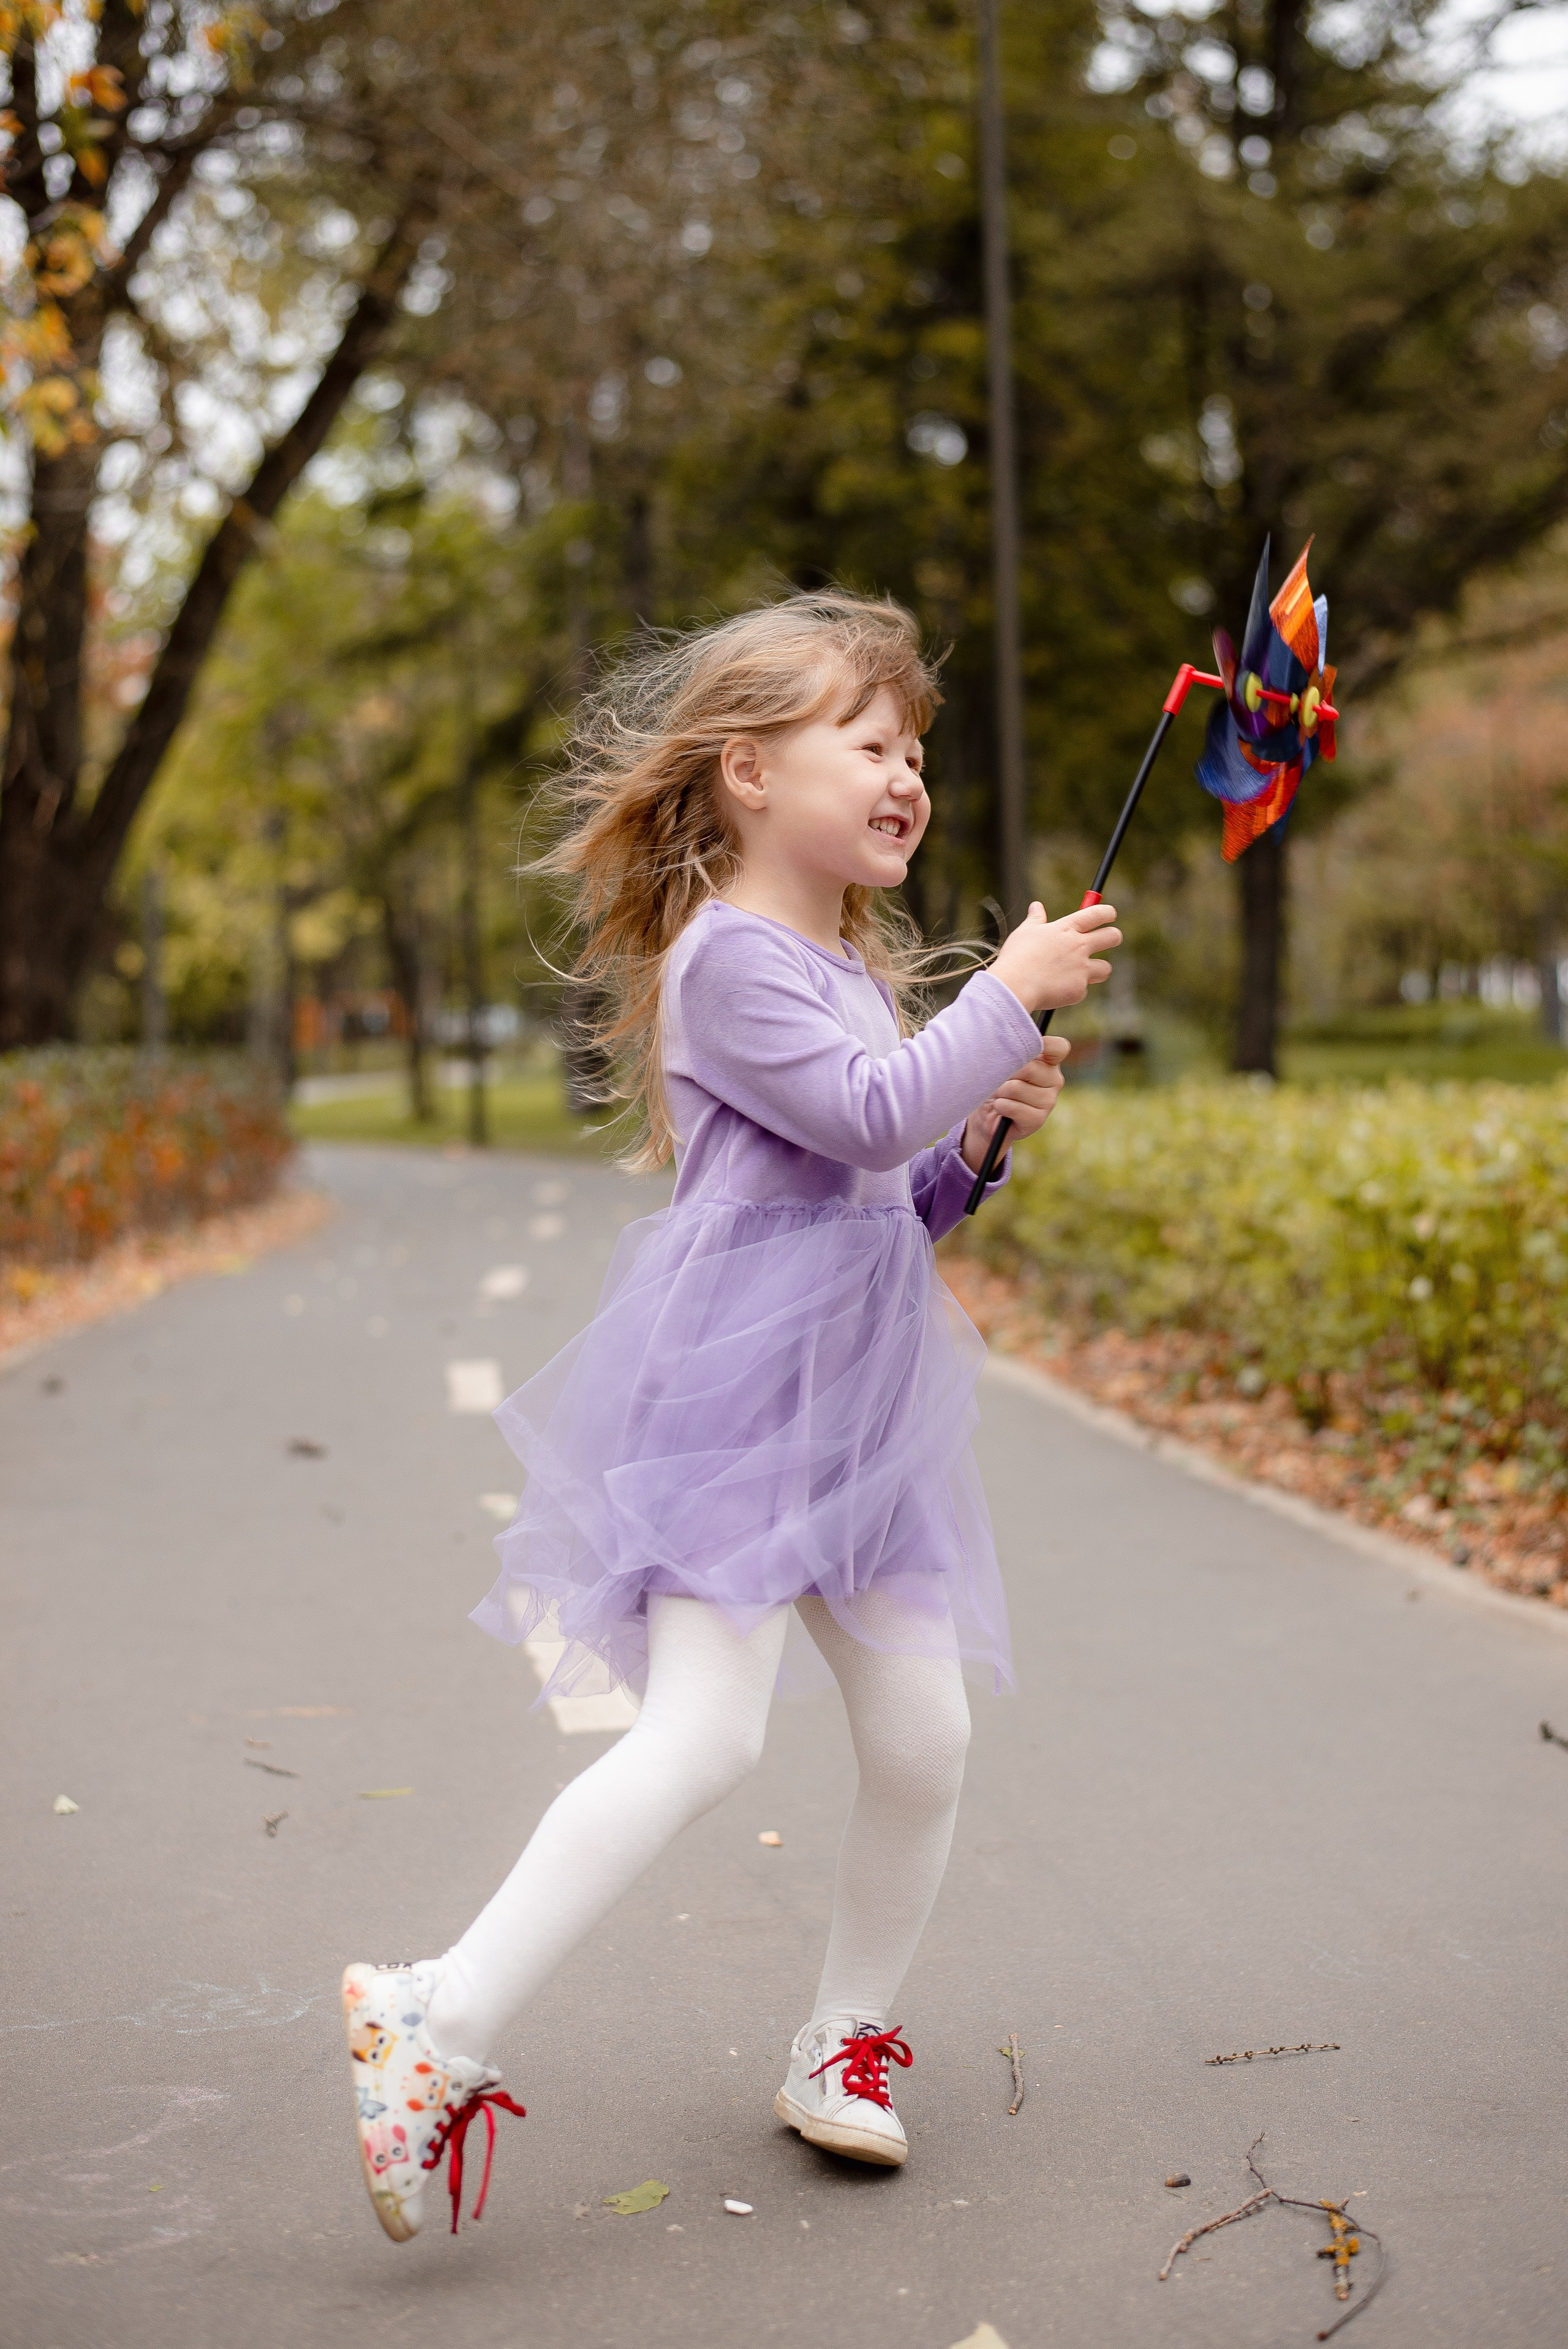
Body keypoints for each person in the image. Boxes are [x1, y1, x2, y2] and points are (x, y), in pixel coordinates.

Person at [341, 590, 1120, 2241]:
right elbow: (863, 1111)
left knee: (926, 1739)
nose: (907, 776)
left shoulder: (845, 965)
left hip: (868, 1416)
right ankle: (434, 2014)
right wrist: (1003, 995)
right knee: (708, 1734)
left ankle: (844, 2041)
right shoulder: (730, 961)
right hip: (742, 1407)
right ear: (751, 772)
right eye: (871, 744)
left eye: (917, 753)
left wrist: (978, 1139)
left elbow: (890, 1191)